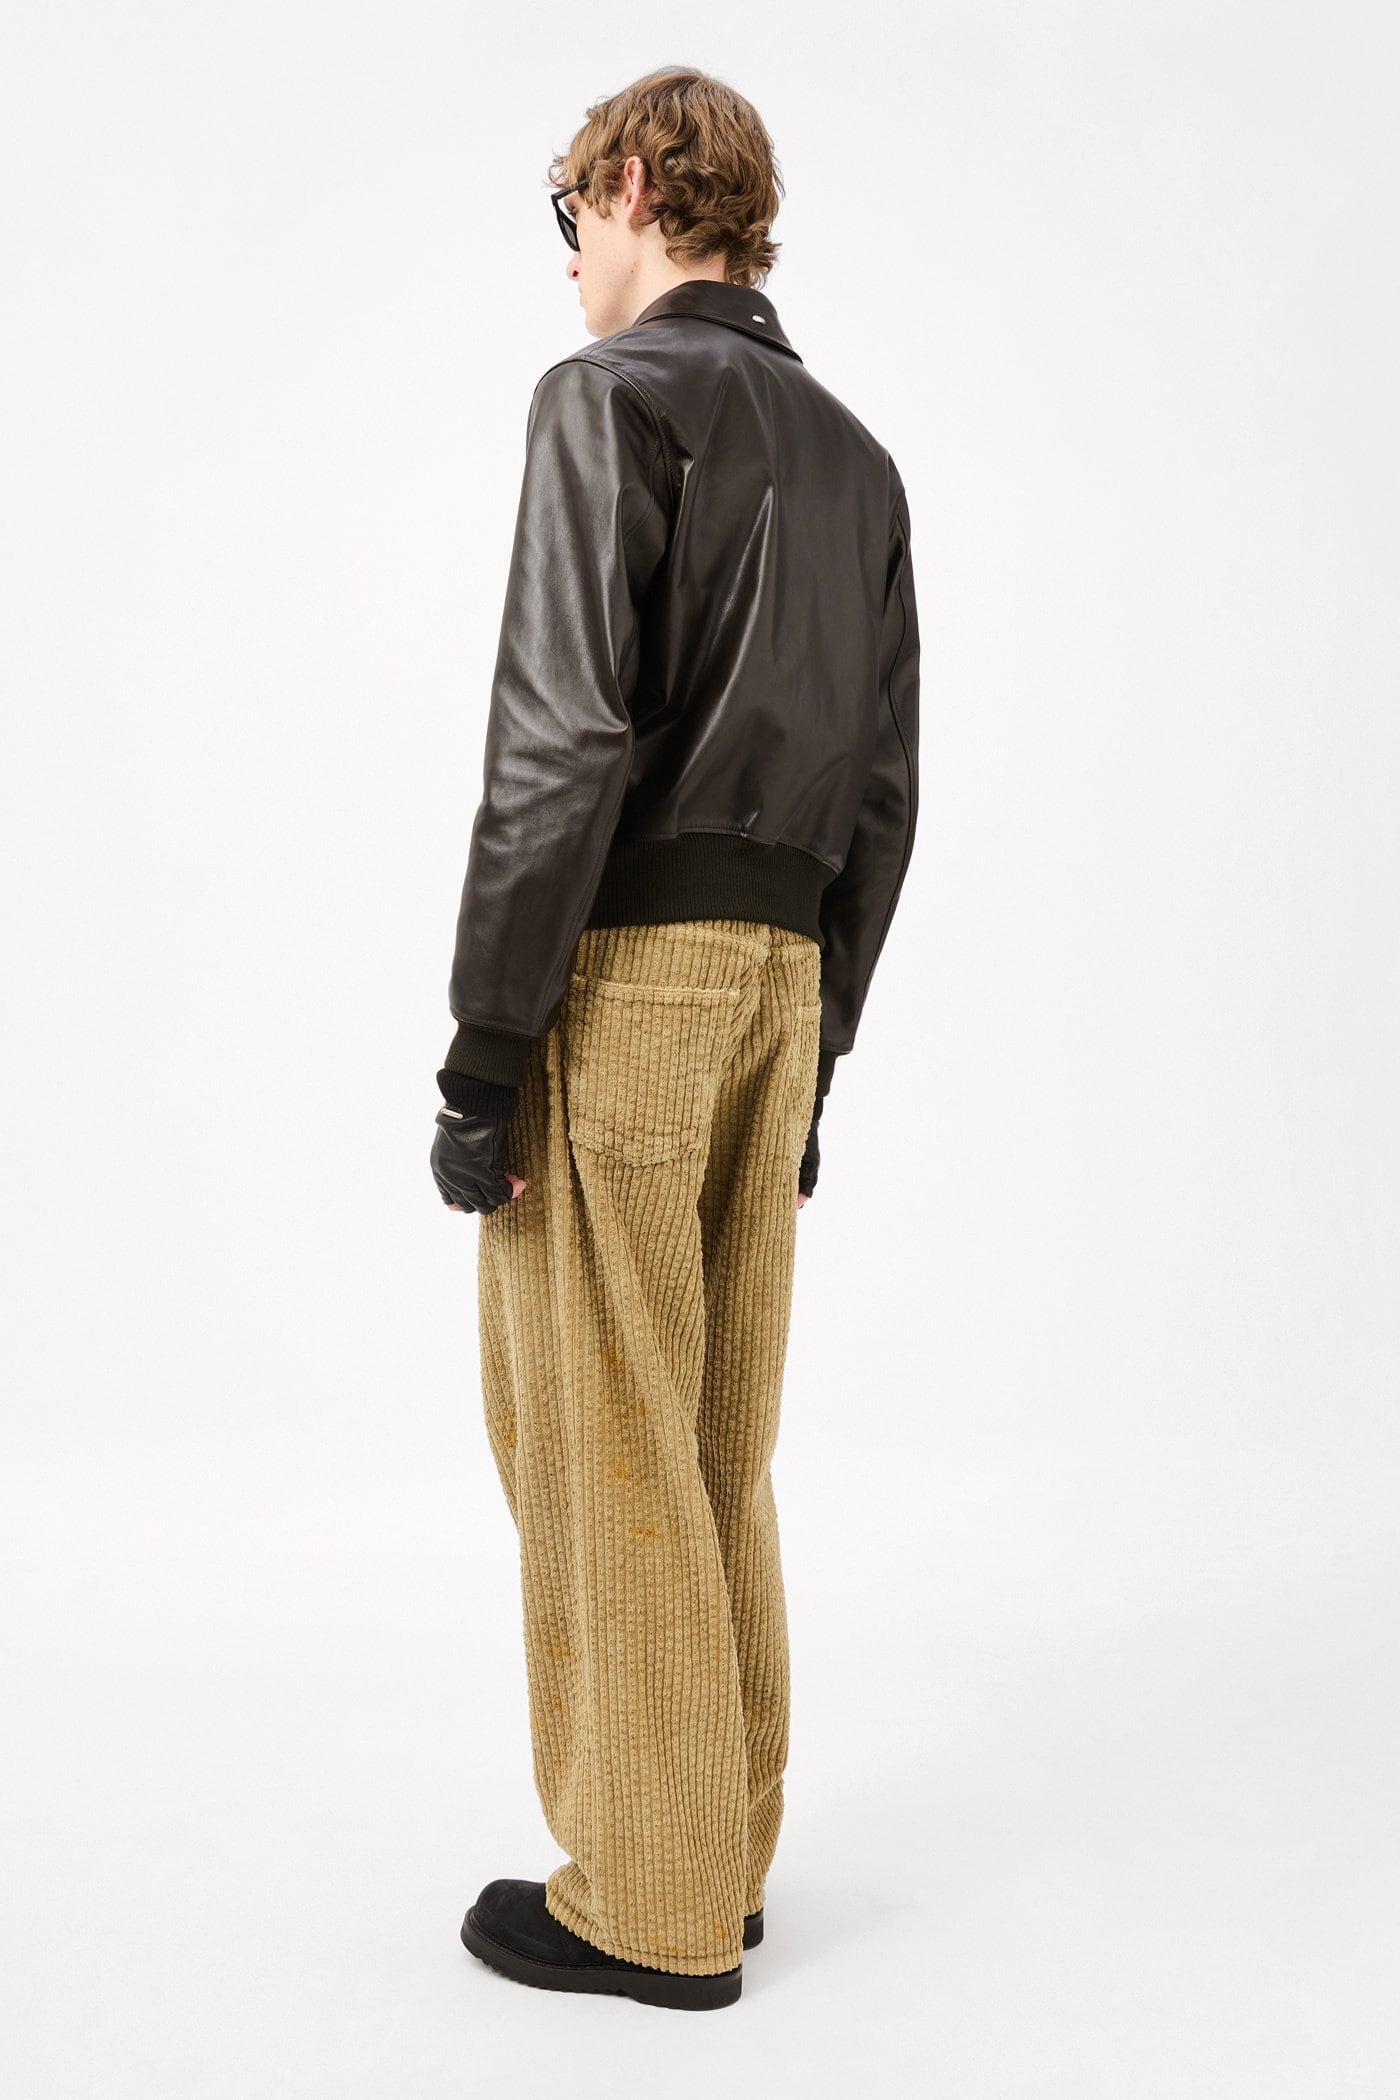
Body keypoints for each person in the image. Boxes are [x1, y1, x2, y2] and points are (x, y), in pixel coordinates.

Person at [431, 65, 920, 2011]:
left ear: (634, 185)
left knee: (598, 1429)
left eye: (570, 221)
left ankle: (643, 1899)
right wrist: (822, 1051)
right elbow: (882, 793)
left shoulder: (607, 400)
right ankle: (718, 1847)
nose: (568, 265)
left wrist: (485, 1051)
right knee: (716, 1437)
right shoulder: (861, 461)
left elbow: (561, 738)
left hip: (626, 978)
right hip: (781, 981)